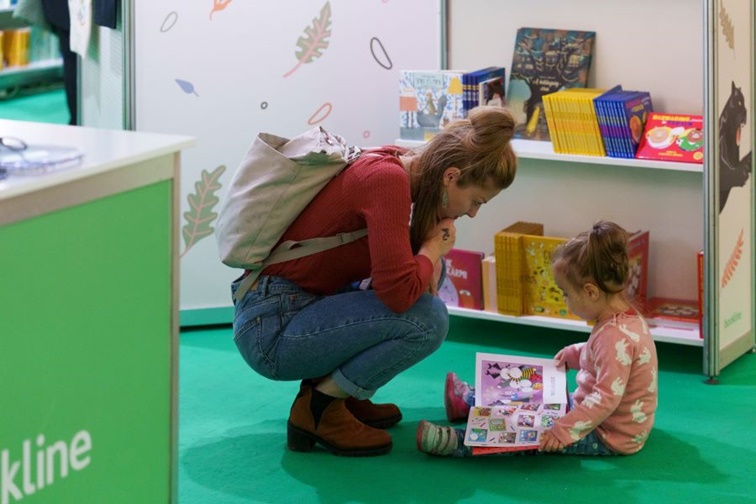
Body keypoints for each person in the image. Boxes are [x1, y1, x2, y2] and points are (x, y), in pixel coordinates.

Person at [230, 106, 518, 457]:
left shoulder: (400, 163)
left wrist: (430, 253)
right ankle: (319, 408)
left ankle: (343, 393)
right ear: (451, 176)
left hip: (289, 308)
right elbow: (398, 295)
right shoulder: (388, 181)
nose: (473, 212)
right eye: (476, 201)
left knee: (426, 283)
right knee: (428, 319)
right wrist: (431, 249)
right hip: (271, 330)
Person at [418, 221, 658, 457]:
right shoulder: (622, 321)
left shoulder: (614, 337)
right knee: (532, 397)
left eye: (566, 293)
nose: (564, 300)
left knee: (529, 434)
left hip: (607, 433)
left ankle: (458, 442)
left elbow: (605, 399)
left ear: (591, 292)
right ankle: (471, 400)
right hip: (593, 412)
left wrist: (561, 431)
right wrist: (576, 353)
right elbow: (604, 356)